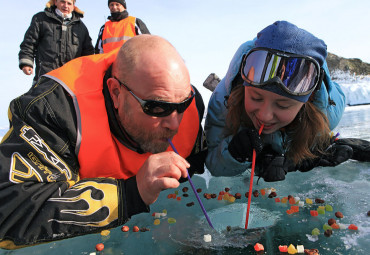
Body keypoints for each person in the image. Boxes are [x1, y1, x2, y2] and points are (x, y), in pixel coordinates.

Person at [0, 35, 206, 249]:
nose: (174, 124)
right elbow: (7, 210)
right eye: (156, 108)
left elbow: (198, 170)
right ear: (116, 93)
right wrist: (132, 193)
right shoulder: (55, 110)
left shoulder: (190, 107)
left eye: (182, 104)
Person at [205, 21, 355, 181]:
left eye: (283, 105)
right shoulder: (224, 102)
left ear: (308, 101)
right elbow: (214, 165)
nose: (265, 115)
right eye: (256, 97)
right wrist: (234, 153)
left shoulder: (326, 113)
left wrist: (299, 158)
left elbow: (339, 98)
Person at [19, 0, 94, 85]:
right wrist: (26, 62)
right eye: (63, 2)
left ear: (73, 6)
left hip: (70, 81)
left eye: (69, 3)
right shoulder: (40, 19)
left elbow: (88, 53)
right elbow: (29, 42)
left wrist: (87, 73)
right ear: (55, 2)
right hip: (45, 77)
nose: (66, 6)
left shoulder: (81, 27)